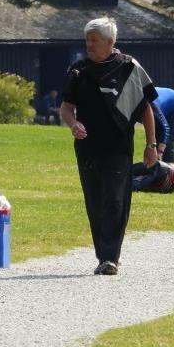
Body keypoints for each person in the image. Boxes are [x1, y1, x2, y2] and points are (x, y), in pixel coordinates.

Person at [59, 17, 158, 276]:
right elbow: (66, 107)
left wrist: (151, 144)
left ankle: (109, 257)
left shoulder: (129, 68)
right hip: (87, 147)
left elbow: (146, 109)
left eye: (94, 40)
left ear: (110, 42)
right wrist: (73, 124)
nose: (89, 45)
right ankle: (103, 254)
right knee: (95, 200)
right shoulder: (78, 70)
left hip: (119, 147)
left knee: (115, 199)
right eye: (87, 40)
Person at [152, 87, 174, 163]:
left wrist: (160, 151)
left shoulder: (152, 107)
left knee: (168, 144)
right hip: (163, 106)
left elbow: (165, 128)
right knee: (155, 142)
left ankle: (171, 172)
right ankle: (154, 170)